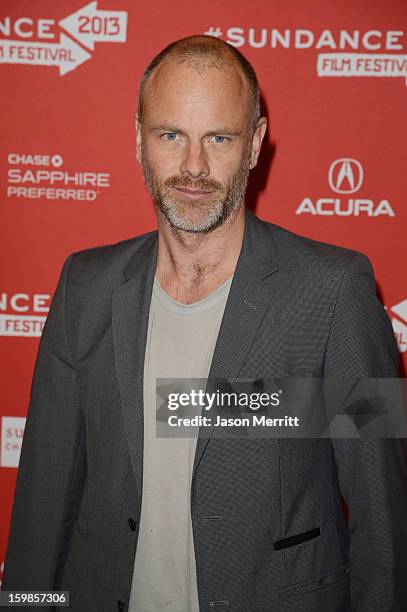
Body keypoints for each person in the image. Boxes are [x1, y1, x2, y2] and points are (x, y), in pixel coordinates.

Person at [2, 35, 407, 612]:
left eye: (219, 137)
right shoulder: (83, 288)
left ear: (256, 144)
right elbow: (42, 511)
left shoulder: (335, 289)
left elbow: (384, 521)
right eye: (171, 135)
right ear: (138, 141)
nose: (194, 166)